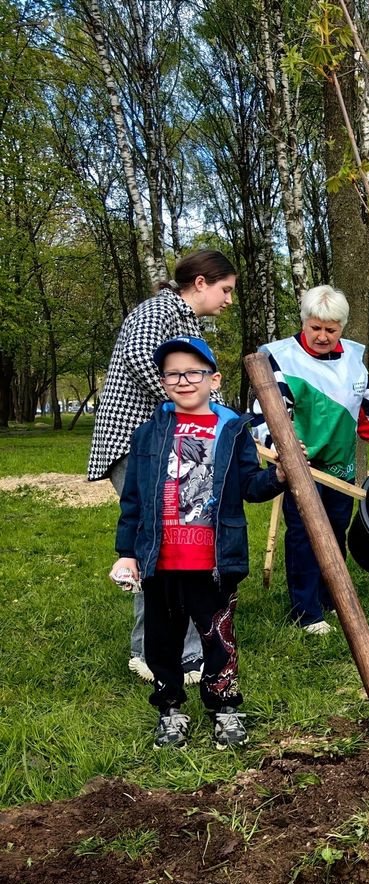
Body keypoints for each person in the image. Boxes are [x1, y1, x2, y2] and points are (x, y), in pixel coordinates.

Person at [110, 337, 286, 749]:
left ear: (214, 379)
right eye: (173, 373)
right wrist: (127, 554)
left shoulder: (232, 429)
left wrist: (277, 478)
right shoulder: (148, 434)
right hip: (160, 561)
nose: (183, 380)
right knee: (162, 641)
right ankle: (170, 709)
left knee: (217, 637)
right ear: (163, 380)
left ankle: (224, 708)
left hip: (213, 561)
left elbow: (249, 486)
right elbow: (133, 500)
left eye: (193, 372)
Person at [88, 250, 239, 684]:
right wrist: (192, 405)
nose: (228, 299)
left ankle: (161, 650)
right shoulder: (159, 309)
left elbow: (198, 381)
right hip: (139, 444)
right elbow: (139, 358)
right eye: (224, 289)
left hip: (170, 444)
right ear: (200, 283)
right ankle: (160, 653)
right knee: (158, 546)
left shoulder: (185, 321)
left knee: (173, 538)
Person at [253, 285, 369, 634]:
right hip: (299, 467)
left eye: (331, 329)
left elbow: (365, 406)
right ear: (304, 322)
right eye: (315, 327)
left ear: (342, 327)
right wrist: (280, 448)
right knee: (307, 535)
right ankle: (305, 611)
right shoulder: (280, 357)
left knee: (336, 531)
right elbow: (266, 412)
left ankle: (329, 596)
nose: (322, 336)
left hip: (340, 467)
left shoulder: (352, 358)